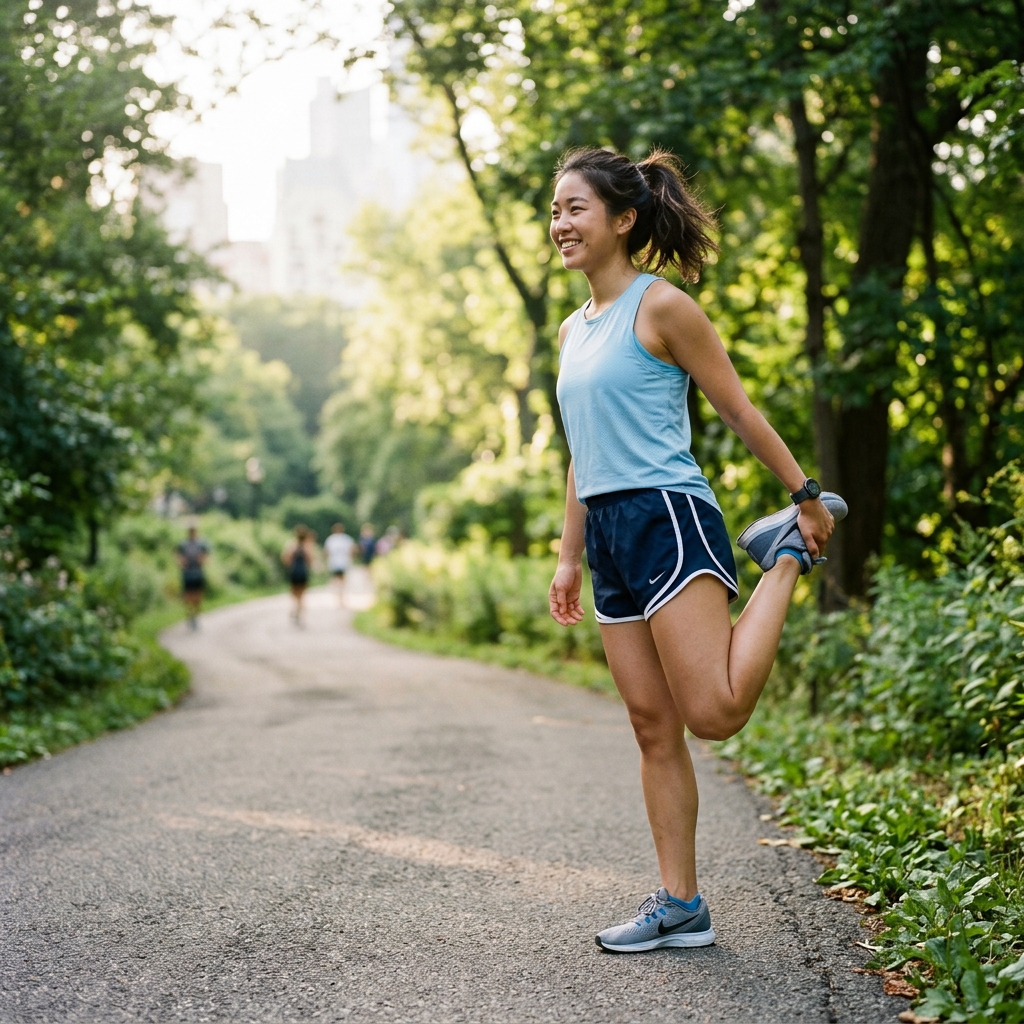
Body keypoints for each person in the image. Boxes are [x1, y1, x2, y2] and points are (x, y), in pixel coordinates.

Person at [547, 147, 847, 953]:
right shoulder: (573, 330)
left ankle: (783, 555)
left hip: (668, 515)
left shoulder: (663, 307)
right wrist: (570, 555)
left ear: (623, 218)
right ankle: (681, 904)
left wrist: (803, 495)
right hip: (608, 534)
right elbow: (582, 448)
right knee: (652, 725)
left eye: (576, 208)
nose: (560, 223)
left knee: (712, 713)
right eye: (554, 210)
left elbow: (739, 408)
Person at [176, 524, 209, 631]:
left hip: (198, 573)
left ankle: (195, 616)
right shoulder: (183, 544)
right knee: (188, 596)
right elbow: (178, 557)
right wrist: (182, 563)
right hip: (187, 574)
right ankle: (190, 616)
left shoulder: (201, 544)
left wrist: (202, 560)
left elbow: (206, 557)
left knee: (198, 596)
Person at [282, 525, 316, 625]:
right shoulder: (306, 547)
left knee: (294, 593)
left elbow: (285, 558)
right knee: (302, 595)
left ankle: (295, 609)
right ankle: (299, 613)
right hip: (303, 572)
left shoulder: (292, 545)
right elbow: (310, 560)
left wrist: (291, 564)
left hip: (294, 572)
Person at [323, 522, 355, 604]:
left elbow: (326, 552)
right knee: (339, 580)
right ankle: (339, 597)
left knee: (339, 580)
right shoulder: (343, 539)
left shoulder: (333, 539)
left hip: (339, 562)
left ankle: (340, 597)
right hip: (338, 562)